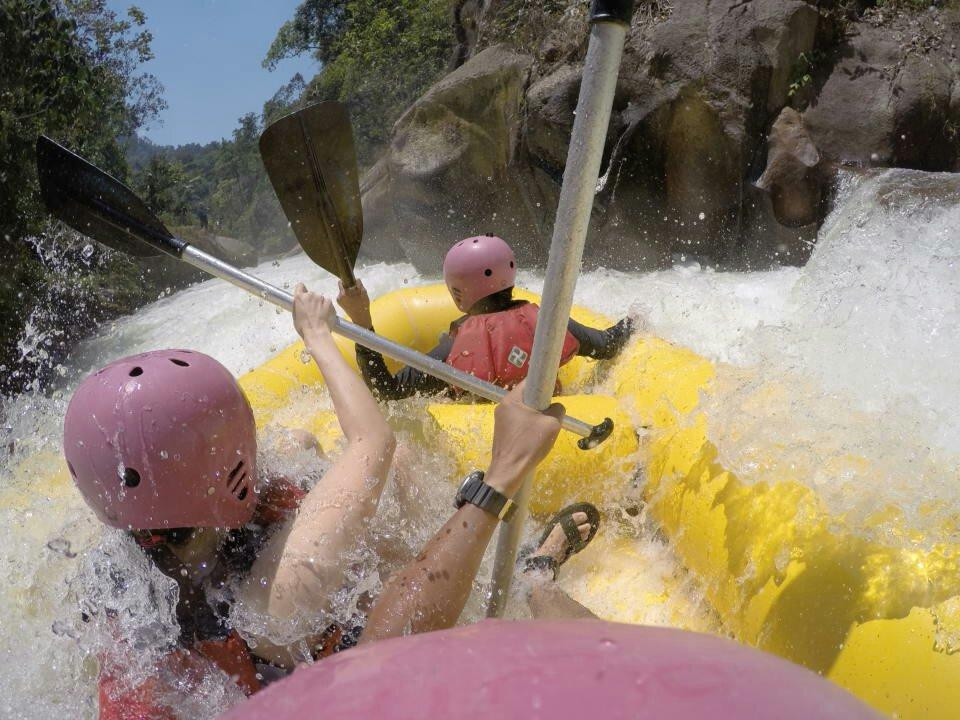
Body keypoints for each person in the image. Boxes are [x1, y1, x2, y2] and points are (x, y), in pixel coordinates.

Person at [65, 285, 397, 718]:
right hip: (296, 651)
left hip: (229, 652)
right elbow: (374, 440)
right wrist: (316, 334)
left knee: (298, 440)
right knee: (403, 462)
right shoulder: (278, 592)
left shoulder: (113, 576)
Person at [337, 235, 634, 400]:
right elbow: (608, 344)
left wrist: (362, 321)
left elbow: (386, 392)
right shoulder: (547, 325)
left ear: (458, 293)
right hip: (544, 424)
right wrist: (633, 321)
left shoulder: (455, 350)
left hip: (480, 440)